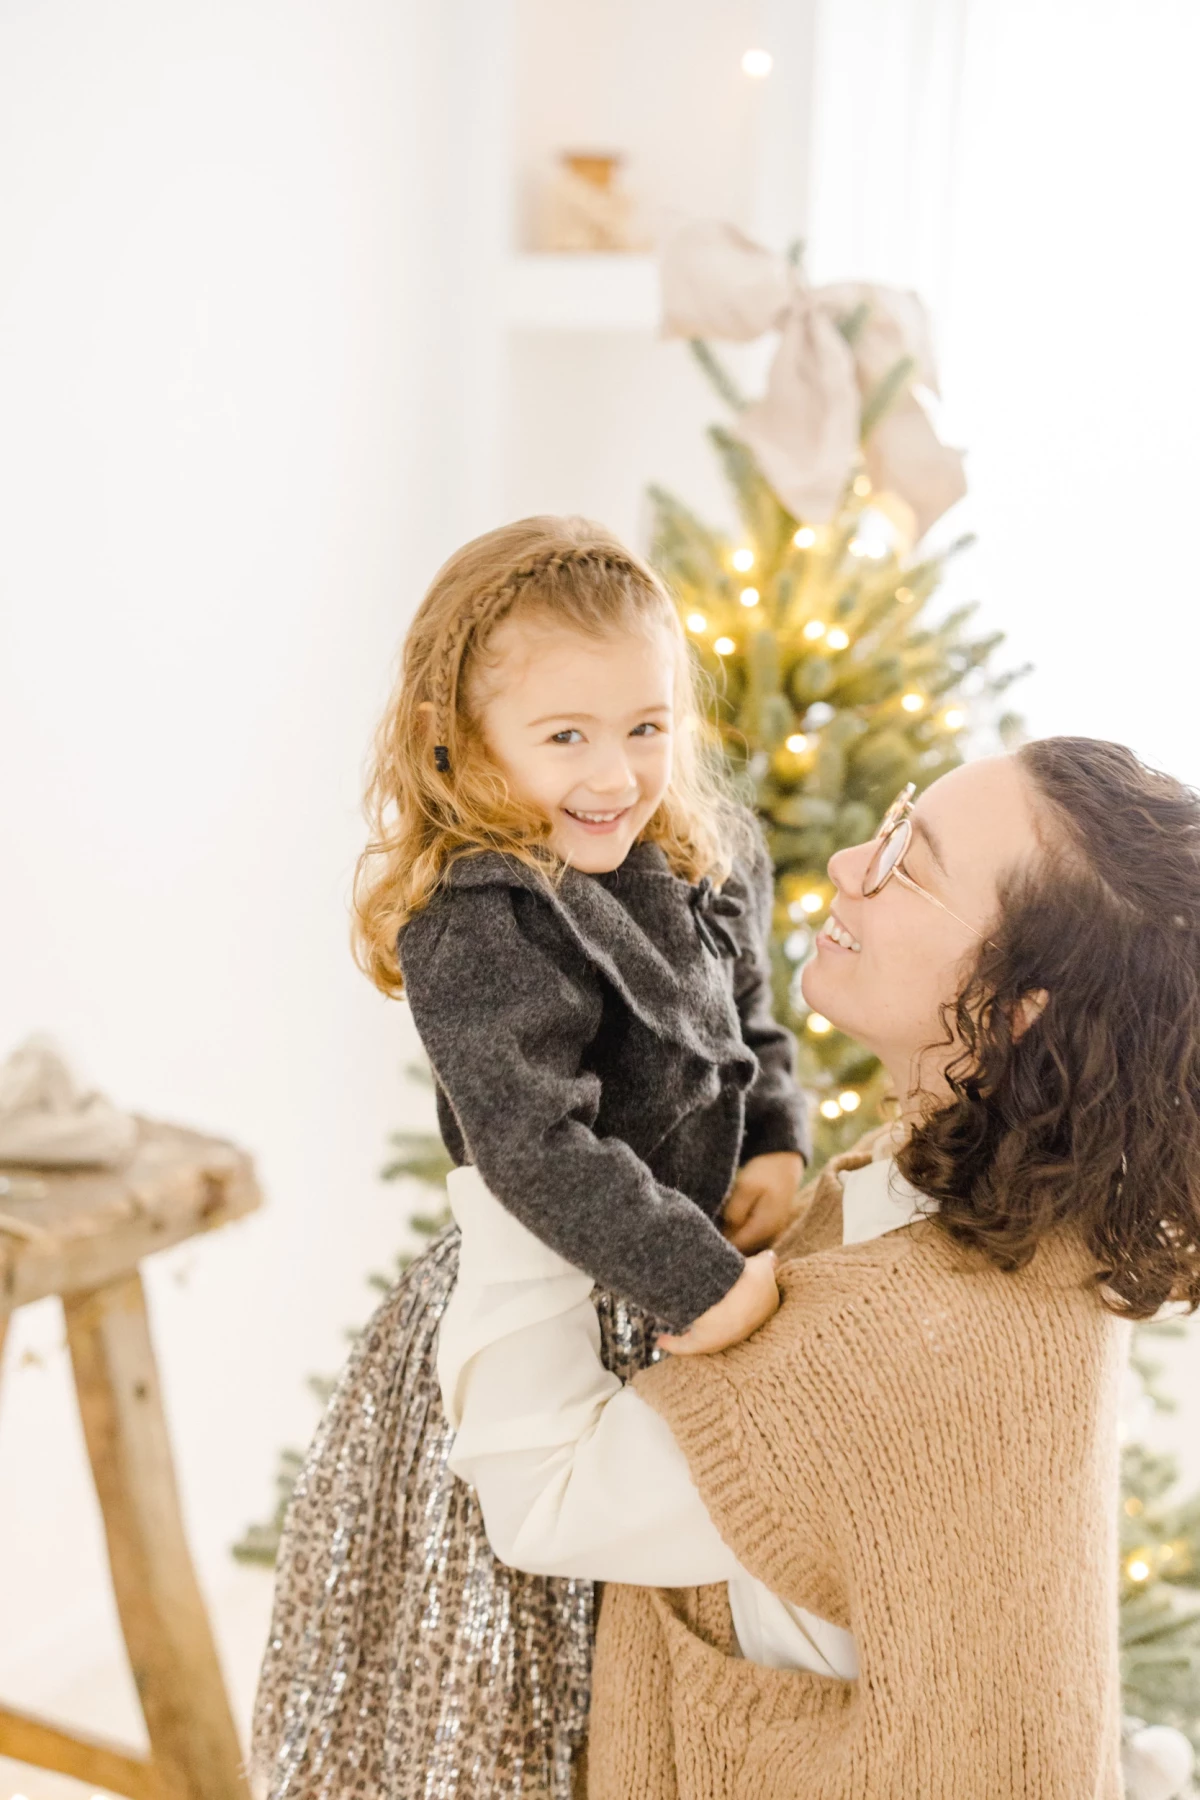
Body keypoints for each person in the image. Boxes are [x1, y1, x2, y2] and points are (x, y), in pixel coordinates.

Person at [438, 737, 1200, 1799]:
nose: (848, 863)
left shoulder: (908, 1334)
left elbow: (547, 1491)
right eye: (891, 817)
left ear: (1023, 1009)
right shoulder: (1022, 1207)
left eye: (908, 865)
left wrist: (520, 1145)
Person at [250, 515, 809, 1799]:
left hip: (675, 1294)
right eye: (566, 737)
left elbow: (753, 1023)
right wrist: (704, 1280)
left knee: (648, 1657)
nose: (616, 773)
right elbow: (530, 1137)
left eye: (647, 728)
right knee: (509, 1667)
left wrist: (773, 1137)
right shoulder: (484, 917)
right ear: (464, 740)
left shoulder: (700, 858)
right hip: (557, 1296)